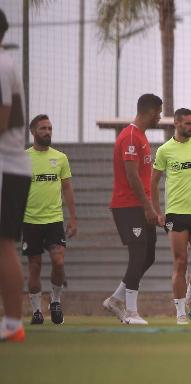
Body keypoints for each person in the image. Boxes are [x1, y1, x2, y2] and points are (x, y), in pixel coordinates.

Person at [152, 108, 191, 325]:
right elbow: (153, 182)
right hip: (176, 214)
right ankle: (180, 312)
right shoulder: (164, 150)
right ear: (176, 124)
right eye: (188, 123)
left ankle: (190, 299)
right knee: (180, 263)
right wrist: (157, 211)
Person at [103, 93, 162, 325]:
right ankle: (131, 312)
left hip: (142, 206)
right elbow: (132, 175)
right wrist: (148, 208)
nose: (160, 117)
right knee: (138, 254)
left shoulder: (141, 137)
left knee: (148, 256)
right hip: (128, 206)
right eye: (158, 112)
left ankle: (115, 299)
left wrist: (150, 207)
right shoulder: (129, 136)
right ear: (149, 112)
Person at [23, 114, 77, 325]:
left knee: (59, 261)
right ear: (33, 132)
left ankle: (55, 301)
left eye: (50, 128)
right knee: (34, 266)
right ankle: (36, 311)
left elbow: (67, 188)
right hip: (30, 220)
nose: (47, 132)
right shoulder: (24, 158)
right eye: (43, 128)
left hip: (54, 220)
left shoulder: (60, 158)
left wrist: (73, 217)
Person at [0, 8, 31, 342]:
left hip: (6, 167)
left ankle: (11, 323)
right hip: (10, 166)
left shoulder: (0, 64)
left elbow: (2, 118)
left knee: (3, 244)